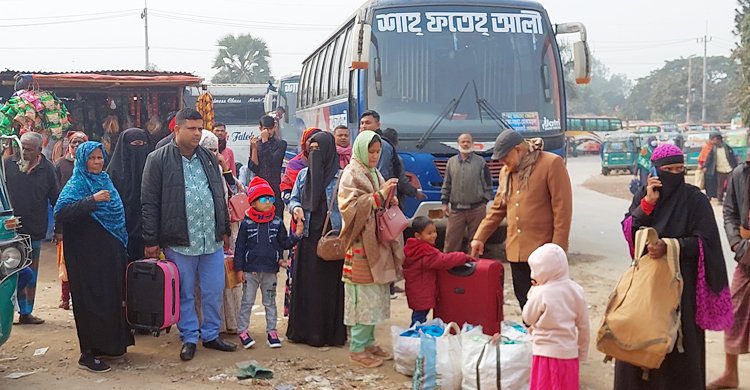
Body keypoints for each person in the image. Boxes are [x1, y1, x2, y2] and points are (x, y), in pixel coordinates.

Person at [617, 144, 733, 389]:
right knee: (639, 343)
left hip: (683, 291)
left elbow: (706, 241)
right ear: (655, 172)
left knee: (680, 352)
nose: (674, 174)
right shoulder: (643, 196)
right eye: (668, 169)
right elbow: (630, 231)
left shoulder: (695, 200)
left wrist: (670, 246)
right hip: (646, 288)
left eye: (679, 168)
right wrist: (647, 203)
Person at [141, 108, 236, 362]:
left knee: (213, 289)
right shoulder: (157, 159)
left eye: (199, 128)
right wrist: (151, 240)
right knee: (184, 292)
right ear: (177, 130)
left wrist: (224, 229)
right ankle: (190, 337)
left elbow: (219, 194)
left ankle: (212, 335)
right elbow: (149, 203)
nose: (197, 133)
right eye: (191, 128)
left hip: (211, 239)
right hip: (179, 239)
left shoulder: (207, 157)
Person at [53, 141, 134, 373]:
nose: (97, 162)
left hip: (109, 253)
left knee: (110, 298)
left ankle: (110, 345)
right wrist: (92, 201)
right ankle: (88, 353)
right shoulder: (78, 183)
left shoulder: (105, 180)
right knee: (90, 300)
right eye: (93, 158)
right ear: (82, 161)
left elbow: (116, 214)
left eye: (100, 158)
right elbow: (62, 211)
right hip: (86, 256)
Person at [470, 130, 572, 309]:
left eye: (505, 157)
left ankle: (546, 335)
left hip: (544, 251)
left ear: (518, 149)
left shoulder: (550, 163)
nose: (503, 163)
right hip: (516, 250)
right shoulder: (506, 172)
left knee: (547, 301)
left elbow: (562, 210)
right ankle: (530, 333)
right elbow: (498, 209)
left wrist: (558, 250)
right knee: (524, 299)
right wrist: (479, 237)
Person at [338, 131, 404, 368]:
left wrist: (388, 197)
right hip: (359, 246)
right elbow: (349, 209)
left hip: (376, 244)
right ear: (361, 150)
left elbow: (376, 200)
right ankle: (357, 348)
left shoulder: (373, 172)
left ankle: (368, 342)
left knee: (375, 296)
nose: (375, 156)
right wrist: (380, 196)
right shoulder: (351, 174)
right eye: (371, 151)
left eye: (378, 152)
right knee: (362, 298)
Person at [286, 131, 347, 347]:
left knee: (330, 286)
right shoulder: (304, 175)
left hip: (332, 239)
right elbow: (292, 199)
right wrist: (296, 209)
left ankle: (329, 334)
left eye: (318, 150)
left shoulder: (342, 177)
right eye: (311, 150)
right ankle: (305, 332)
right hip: (309, 236)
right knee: (307, 285)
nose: (315, 155)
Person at [235, 177, 302, 349]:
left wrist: (297, 235)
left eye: (271, 199)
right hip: (250, 272)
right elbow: (240, 248)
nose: (268, 203)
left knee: (270, 302)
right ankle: (243, 331)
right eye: (264, 199)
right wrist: (239, 268)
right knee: (247, 302)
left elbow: (284, 243)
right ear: (253, 202)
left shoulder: (277, 222)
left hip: (270, 272)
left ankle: (272, 332)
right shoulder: (246, 223)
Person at [5, 131, 59, 324]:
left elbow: (55, 200)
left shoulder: (48, 169)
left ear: (39, 150)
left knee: (30, 273)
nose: (24, 152)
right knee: (9, 272)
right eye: (22, 148)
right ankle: (7, 312)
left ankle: (26, 312)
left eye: (29, 149)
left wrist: (58, 229)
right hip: (9, 230)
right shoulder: (7, 164)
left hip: (34, 230)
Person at [708, 153, 750, 390]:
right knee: (732, 313)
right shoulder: (740, 174)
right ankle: (730, 374)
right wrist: (737, 243)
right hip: (746, 257)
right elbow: (730, 212)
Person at [522, 243, 589, 390]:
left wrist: (532, 293)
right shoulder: (577, 290)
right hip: (569, 356)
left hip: (544, 354)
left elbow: (527, 318)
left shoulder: (541, 293)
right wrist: (582, 352)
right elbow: (583, 326)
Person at [279, 127, 321, 317]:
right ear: (304, 144)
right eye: (310, 143)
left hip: (325, 230)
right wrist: (296, 208)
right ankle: (297, 313)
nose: (314, 148)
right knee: (298, 270)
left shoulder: (333, 168)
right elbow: (287, 193)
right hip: (300, 226)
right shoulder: (296, 167)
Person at [403, 216, 473, 326]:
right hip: (422, 291)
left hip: (416, 290)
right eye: (429, 233)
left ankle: (415, 334)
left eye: (434, 232)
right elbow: (444, 260)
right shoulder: (425, 252)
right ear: (418, 236)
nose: (434, 235)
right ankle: (414, 336)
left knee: (418, 315)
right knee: (419, 318)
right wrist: (463, 257)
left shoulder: (413, 248)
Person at [441, 133, 493, 253]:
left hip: (476, 209)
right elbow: (447, 184)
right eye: (463, 142)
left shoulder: (481, 162)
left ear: (472, 144)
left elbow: (488, 184)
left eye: (468, 141)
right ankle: (449, 268)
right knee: (451, 242)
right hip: (456, 210)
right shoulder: (451, 162)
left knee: (475, 242)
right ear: (458, 144)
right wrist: (444, 202)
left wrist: (484, 203)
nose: (465, 144)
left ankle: (474, 267)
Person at [53, 131, 88, 310]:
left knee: (83, 259)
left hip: (85, 219)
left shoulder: (90, 165)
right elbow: (56, 194)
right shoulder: (60, 164)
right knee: (65, 261)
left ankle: (80, 297)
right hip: (66, 218)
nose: (75, 146)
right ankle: (65, 297)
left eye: (80, 143)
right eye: (73, 143)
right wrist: (58, 227)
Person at [107, 128, 153, 262]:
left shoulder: (154, 169)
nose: (139, 149)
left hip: (149, 231)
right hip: (121, 229)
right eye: (135, 144)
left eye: (142, 144)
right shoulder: (114, 172)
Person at [249, 115, 287, 219]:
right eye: (265, 129)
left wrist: (265, 142)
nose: (268, 131)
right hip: (260, 186)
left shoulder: (281, 144)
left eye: (270, 129)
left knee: (276, 216)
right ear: (260, 129)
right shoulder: (257, 143)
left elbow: (273, 161)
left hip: (274, 186)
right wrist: (254, 148)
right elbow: (253, 167)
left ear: (274, 128)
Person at [703, 132, 737, 203]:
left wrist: (736, 167)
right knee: (720, 186)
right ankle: (720, 199)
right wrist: (705, 166)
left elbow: (733, 158)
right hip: (720, 170)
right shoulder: (713, 150)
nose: (714, 141)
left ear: (719, 140)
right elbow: (709, 158)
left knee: (731, 185)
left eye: (715, 140)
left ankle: (730, 200)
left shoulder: (727, 148)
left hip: (729, 169)